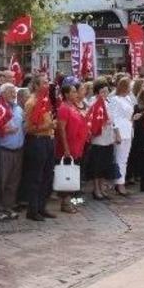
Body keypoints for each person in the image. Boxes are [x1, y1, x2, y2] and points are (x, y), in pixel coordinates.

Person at [23, 75, 57, 220]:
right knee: (36, 177)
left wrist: (51, 126)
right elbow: (29, 128)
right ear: (36, 86)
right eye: (44, 83)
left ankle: (42, 207)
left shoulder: (45, 100)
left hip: (48, 140)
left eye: (47, 83)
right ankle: (33, 210)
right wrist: (47, 126)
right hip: (37, 141)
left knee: (47, 176)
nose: (47, 85)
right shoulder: (31, 103)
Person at [0, 85, 25, 221]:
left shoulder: (19, 109)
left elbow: (23, 126)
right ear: (2, 93)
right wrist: (4, 130)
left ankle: (8, 207)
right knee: (1, 181)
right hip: (4, 151)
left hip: (18, 151)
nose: (13, 94)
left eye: (14, 92)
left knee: (13, 182)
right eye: (10, 92)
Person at [55, 83, 87, 212]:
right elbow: (61, 129)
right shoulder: (63, 108)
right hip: (68, 147)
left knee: (74, 174)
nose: (76, 94)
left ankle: (70, 201)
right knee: (67, 174)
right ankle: (65, 203)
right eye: (73, 92)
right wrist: (66, 148)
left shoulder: (73, 106)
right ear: (67, 94)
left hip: (77, 146)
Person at [85, 80, 119, 200]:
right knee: (97, 165)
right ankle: (96, 189)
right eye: (102, 91)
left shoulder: (108, 101)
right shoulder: (93, 102)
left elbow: (113, 119)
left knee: (105, 164)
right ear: (97, 92)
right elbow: (91, 119)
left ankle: (102, 186)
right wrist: (102, 122)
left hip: (108, 137)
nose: (105, 93)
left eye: (106, 91)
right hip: (98, 138)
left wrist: (116, 133)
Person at [109, 77, 135, 196]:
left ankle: (120, 181)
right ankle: (119, 183)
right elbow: (113, 117)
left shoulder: (128, 98)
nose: (131, 88)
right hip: (120, 131)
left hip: (128, 130)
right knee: (119, 158)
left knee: (124, 158)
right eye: (129, 86)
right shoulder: (115, 99)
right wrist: (117, 133)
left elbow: (129, 114)